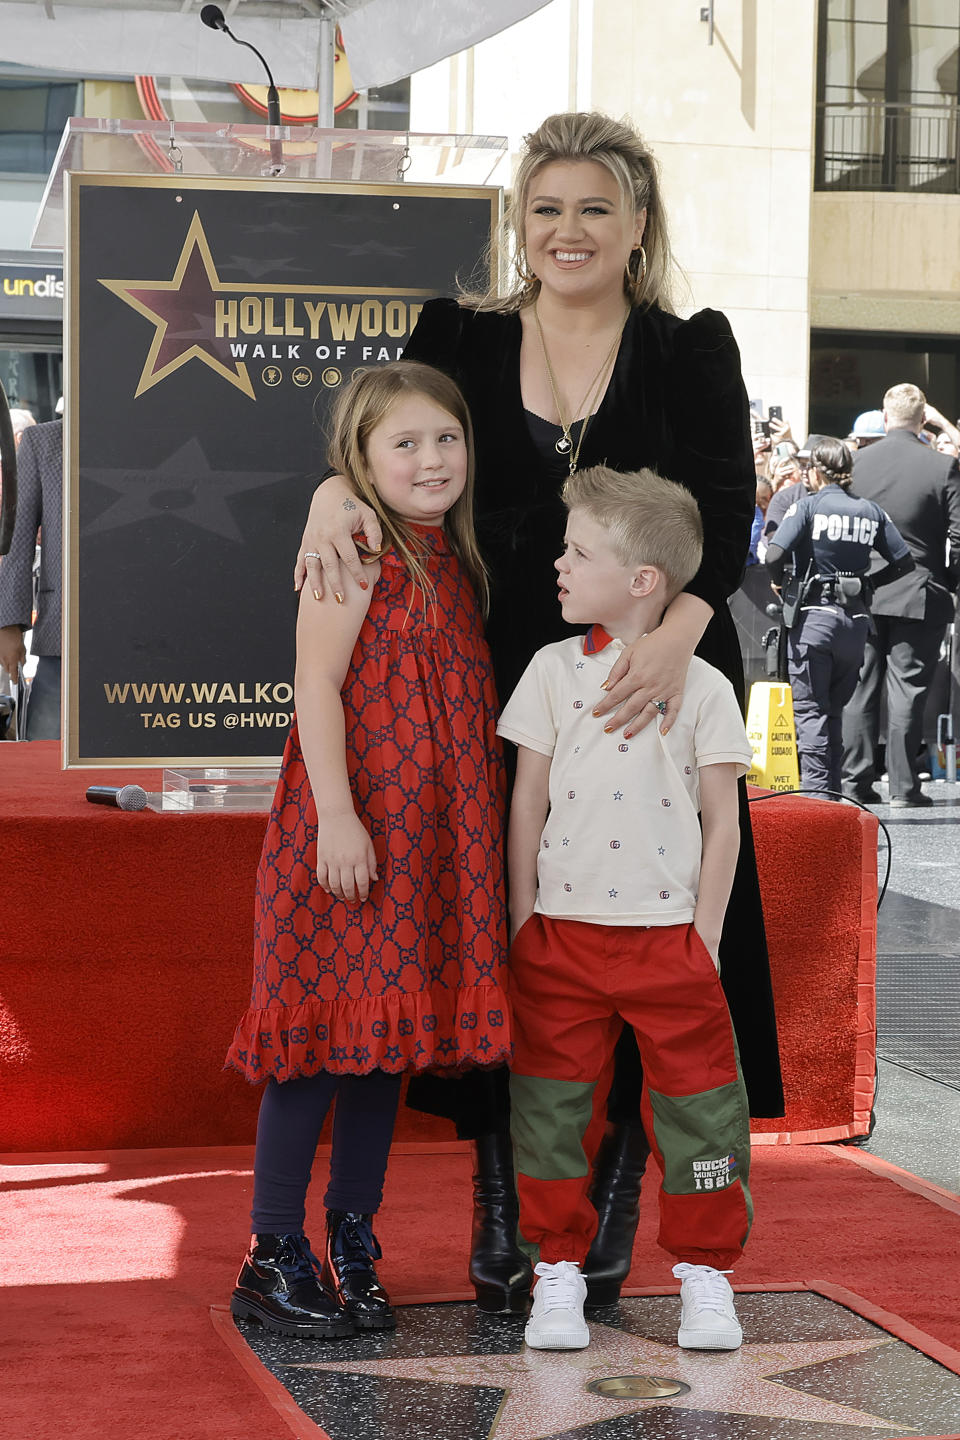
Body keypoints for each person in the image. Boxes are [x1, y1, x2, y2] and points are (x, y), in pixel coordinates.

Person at [293, 110, 784, 1314]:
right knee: (518, 938)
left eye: (594, 210)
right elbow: (379, 445)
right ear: (522, 221)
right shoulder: (456, 333)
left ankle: (616, 1178)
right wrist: (323, 495)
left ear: (636, 226)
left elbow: (723, 516)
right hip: (481, 684)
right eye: (548, 207)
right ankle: (508, 1188)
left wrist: (667, 649)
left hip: (651, 680)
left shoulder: (692, 351)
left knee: (647, 933)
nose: (568, 231)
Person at [226, 361, 511, 1339]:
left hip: (428, 845)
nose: (432, 460)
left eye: (447, 439)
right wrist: (340, 816)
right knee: (313, 1050)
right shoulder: (353, 549)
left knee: (378, 1050)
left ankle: (352, 1237)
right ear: (360, 460)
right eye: (405, 443)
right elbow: (316, 687)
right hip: (350, 834)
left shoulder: (453, 559)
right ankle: (271, 1254)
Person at [500, 464, 753, 1353]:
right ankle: (557, 1272)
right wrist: (524, 919)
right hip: (559, 939)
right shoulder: (548, 671)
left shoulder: (708, 686)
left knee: (701, 1111)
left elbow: (725, 819)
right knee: (551, 1109)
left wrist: (707, 935)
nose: (558, 565)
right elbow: (525, 801)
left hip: (670, 942)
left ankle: (707, 1275)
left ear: (643, 580)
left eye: (578, 551)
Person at [764, 438, 913, 799]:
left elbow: (774, 553)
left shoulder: (807, 506)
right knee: (833, 712)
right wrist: (866, 583)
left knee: (810, 711)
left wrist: (780, 583)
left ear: (815, 471)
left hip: (814, 621)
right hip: (854, 623)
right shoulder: (871, 511)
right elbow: (904, 562)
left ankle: (817, 800)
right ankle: (832, 797)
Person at [841, 383, 960, 807]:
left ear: (885, 415)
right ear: (923, 416)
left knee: (860, 687)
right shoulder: (941, 466)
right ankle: (904, 787)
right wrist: (949, 578)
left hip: (861, 590)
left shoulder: (855, 463)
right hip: (919, 589)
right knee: (908, 690)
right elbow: (959, 533)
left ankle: (854, 782)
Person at [0, 417, 63, 738]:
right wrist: (9, 624)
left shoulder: (152, 431)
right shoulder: (44, 441)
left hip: (147, 638)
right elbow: (18, 538)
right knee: (44, 755)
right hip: (61, 632)